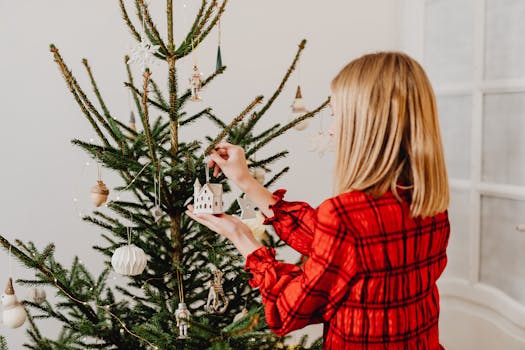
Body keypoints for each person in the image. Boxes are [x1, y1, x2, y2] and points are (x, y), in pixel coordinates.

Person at [185, 51, 450, 349]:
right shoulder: (428, 202)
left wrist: (242, 237)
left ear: (365, 125)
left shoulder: (345, 215)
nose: (332, 129)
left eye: (336, 116)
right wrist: (245, 181)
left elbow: (290, 311)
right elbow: (333, 243)